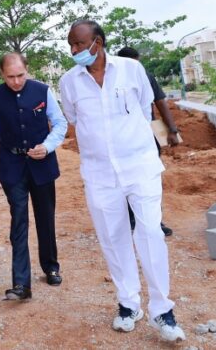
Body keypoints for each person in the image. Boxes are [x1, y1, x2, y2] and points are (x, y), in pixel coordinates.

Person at [59, 20, 185, 342]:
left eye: (78, 44)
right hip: (99, 174)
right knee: (113, 238)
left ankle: (163, 310)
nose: (73, 50)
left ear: (97, 43)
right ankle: (129, 304)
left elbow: (145, 109)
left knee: (150, 233)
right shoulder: (69, 83)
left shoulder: (131, 70)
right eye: (70, 44)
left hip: (140, 168)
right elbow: (74, 120)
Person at [0, 52, 67, 301]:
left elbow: (60, 123)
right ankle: (21, 284)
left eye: (20, 75)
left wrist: (48, 146)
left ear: (27, 70)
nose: (16, 81)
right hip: (11, 166)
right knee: (18, 220)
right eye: (10, 77)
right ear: (2, 74)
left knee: (45, 216)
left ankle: (51, 266)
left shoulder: (43, 91)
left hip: (42, 164)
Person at [117, 46, 179, 236]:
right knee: (142, 179)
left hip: (139, 138)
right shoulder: (124, 77)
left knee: (143, 178)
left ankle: (149, 221)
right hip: (129, 139)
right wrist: (172, 130)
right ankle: (139, 221)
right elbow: (160, 103)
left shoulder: (143, 75)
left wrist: (172, 129)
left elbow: (159, 101)